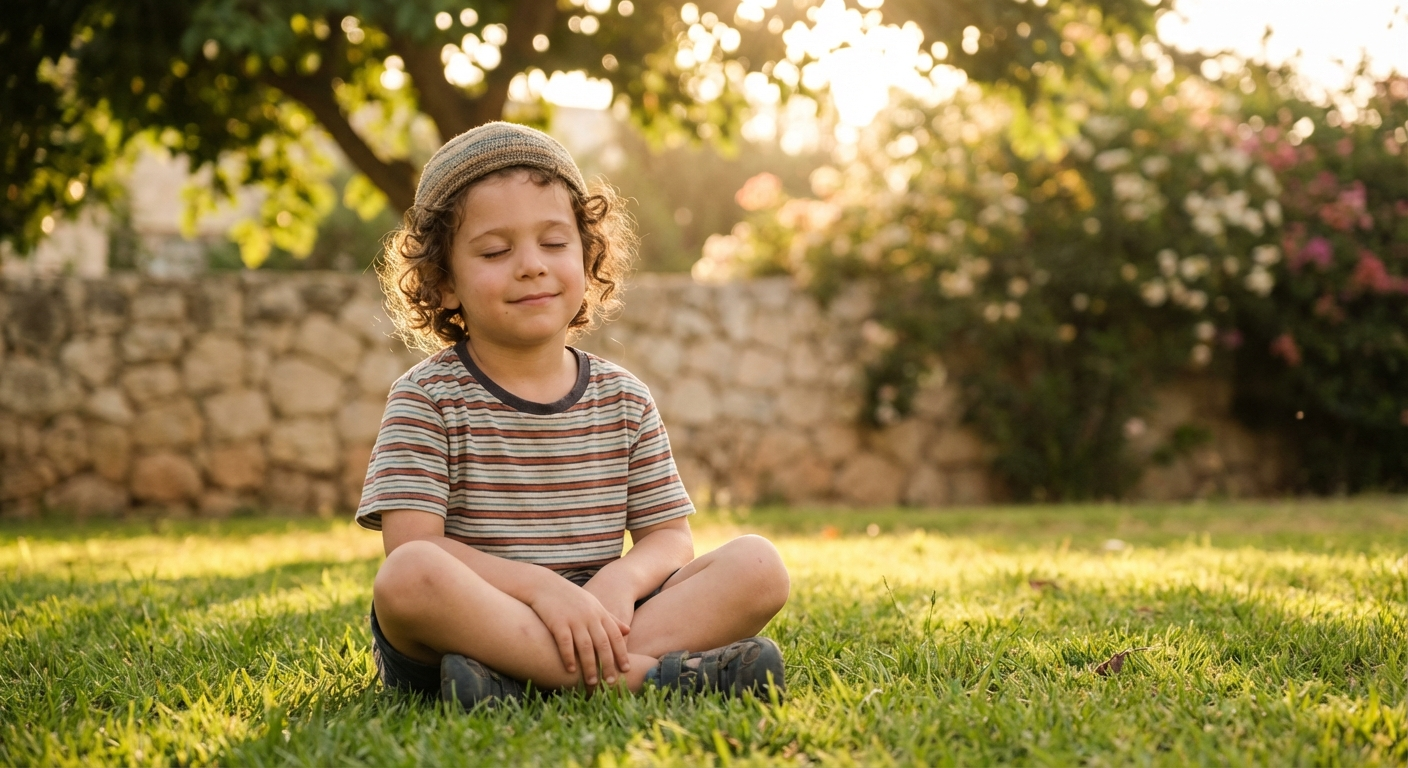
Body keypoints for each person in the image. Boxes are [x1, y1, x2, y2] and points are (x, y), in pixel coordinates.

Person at [356, 122, 790, 708]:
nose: (531, 265)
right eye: (495, 251)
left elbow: (669, 539)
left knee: (759, 565)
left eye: (555, 243)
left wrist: (621, 580)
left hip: (600, 613)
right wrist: (540, 588)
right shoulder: (426, 398)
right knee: (408, 577)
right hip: (475, 621)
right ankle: (647, 679)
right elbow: (413, 548)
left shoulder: (624, 398)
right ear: (443, 283)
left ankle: (515, 682)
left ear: (587, 258)